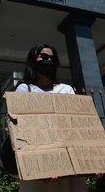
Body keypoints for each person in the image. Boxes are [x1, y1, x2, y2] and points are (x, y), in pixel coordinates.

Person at [13, 43, 86, 192]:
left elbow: (78, 125)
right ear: (33, 61)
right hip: (39, 163)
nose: (49, 61)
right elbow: (18, 128)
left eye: (53, 58)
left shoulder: (66, 89)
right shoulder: (24, 89)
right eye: (44, 57)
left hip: (68, 162)